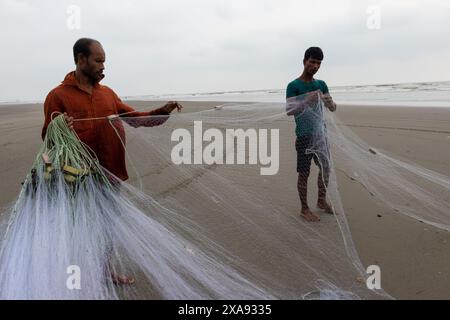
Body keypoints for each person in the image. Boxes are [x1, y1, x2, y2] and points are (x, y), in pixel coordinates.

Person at [41, 38, 182, 284]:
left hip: (111, 174)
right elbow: (49, 138)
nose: (103, 66)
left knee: (107, 226)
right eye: (98, 61)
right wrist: (60, 127)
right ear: (81, 59)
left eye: (104, 61)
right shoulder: (57, 96)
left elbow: (136, 119)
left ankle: (105, 271)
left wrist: (163, 110)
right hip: (78, 177)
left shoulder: (108, 94)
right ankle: (71, 273)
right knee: (80, 225)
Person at [286, 47, 337, 222]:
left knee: (326, 168)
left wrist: (331, 103)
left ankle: (321, 200)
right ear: (304, 61)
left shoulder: (321, 84)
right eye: (312, 62)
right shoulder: (293, 86)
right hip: (303, 136)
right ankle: (304, 209)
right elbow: (289, 111)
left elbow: (332, 108)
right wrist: (307, 100)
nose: (315, 66)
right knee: (304, 173)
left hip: (320, 135)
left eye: (318, 63)